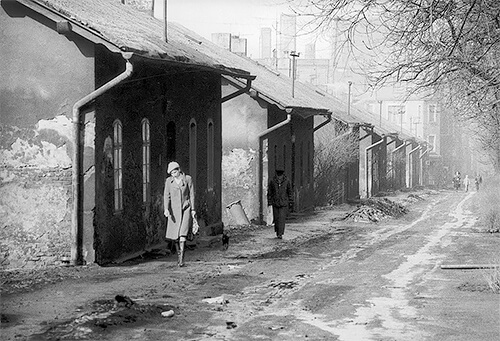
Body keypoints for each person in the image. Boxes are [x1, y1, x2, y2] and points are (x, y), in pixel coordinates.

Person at [163, 161, 196, 267]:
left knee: (183, 234)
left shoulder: (187, 179)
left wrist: (193, 209)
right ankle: (178, 256)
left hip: (185, 209)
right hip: (174, 212)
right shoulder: (169, 181)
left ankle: (181, 259)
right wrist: (166, 209)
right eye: (171, 173)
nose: (173, 174)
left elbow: (192, 194)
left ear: (179, 170)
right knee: (175, 235)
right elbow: (166, 195)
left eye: (175, 172)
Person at [267, 168, 293, 239]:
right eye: (278, 175)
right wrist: (269, 202)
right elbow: (270, 192)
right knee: (276, 218)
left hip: (283, 203)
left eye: (280, 175)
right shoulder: (272, 181)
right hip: (275, 202)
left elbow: (289, 192)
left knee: (281, 218)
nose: (279, 177)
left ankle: (280, 233)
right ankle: (278, 232)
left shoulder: (287, 181)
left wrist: (290, 201)